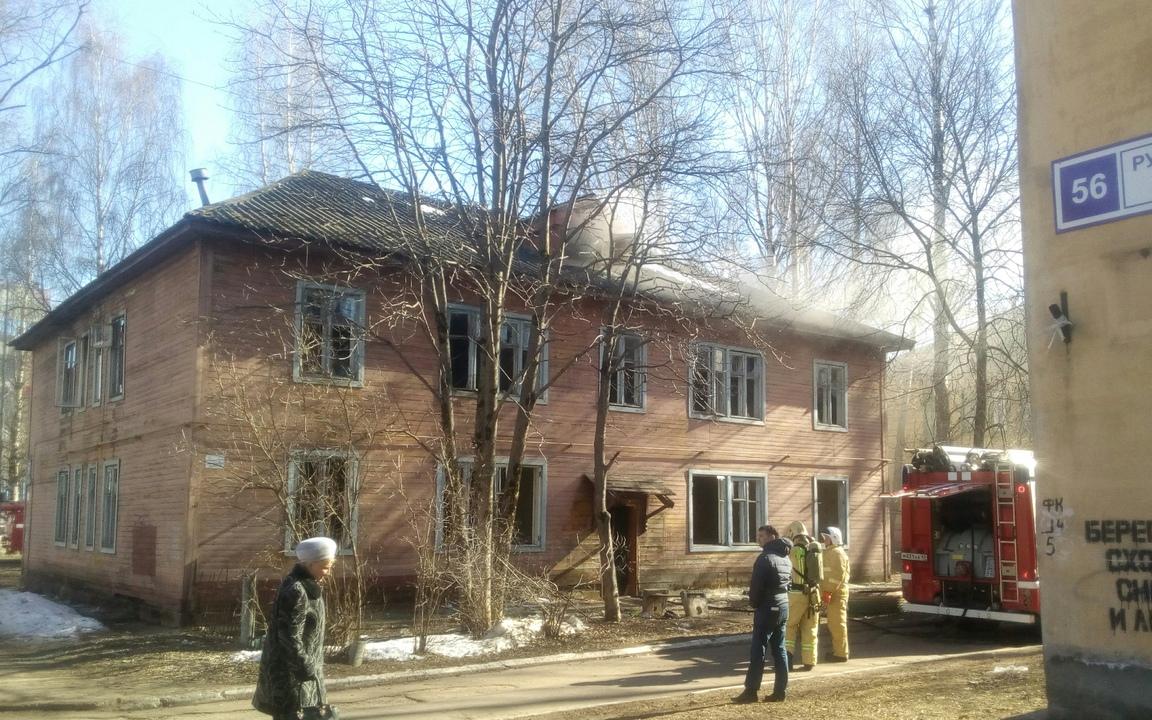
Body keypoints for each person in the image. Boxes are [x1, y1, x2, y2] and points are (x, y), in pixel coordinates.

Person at [253, 537, 338, 720]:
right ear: (310, 564)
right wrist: (306, 667)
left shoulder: (307, 587)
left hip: (300, 675)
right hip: (291, 678)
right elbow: (289, 637)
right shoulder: (297, 591)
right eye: (325, 567)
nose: (328, 572)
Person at [733, 525, 792, 704]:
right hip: (783, 605)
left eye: (762, 536)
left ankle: (751, 691)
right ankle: (780, 691)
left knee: (758, 649)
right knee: (780, 649)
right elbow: (787, 583)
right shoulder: (785, 558)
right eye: (757, 535)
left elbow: (756, 587)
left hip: (767, 607)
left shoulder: (765, 558)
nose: (759, 539)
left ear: (772, 536)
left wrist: (754, 603)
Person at [784, 520, 821, 672]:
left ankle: (787, 660)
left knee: (789, 627)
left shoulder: (791, 551)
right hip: (813, 594)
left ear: (792, 534)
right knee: (810, 629)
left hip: (796, 593)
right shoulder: (815, 549)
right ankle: (809, 661)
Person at [821, 526, 851, 663]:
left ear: (833, 538)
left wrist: (828, 591)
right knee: (834, 624)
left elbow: (837, 575)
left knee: (837, 624)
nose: (824, 540)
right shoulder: (831, 552)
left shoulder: (837, 553)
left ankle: (841, 654)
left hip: (836, 594)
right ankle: (838, 651)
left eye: (826, 537)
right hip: (833, 593)